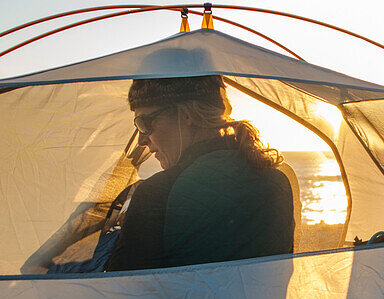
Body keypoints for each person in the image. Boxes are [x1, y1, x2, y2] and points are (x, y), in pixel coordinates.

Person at [103, 75, 296, 272]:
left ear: (187, 114)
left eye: (144, 123)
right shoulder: (276, 180)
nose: (142, 141)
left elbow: (121, 293)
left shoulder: (157, 194)